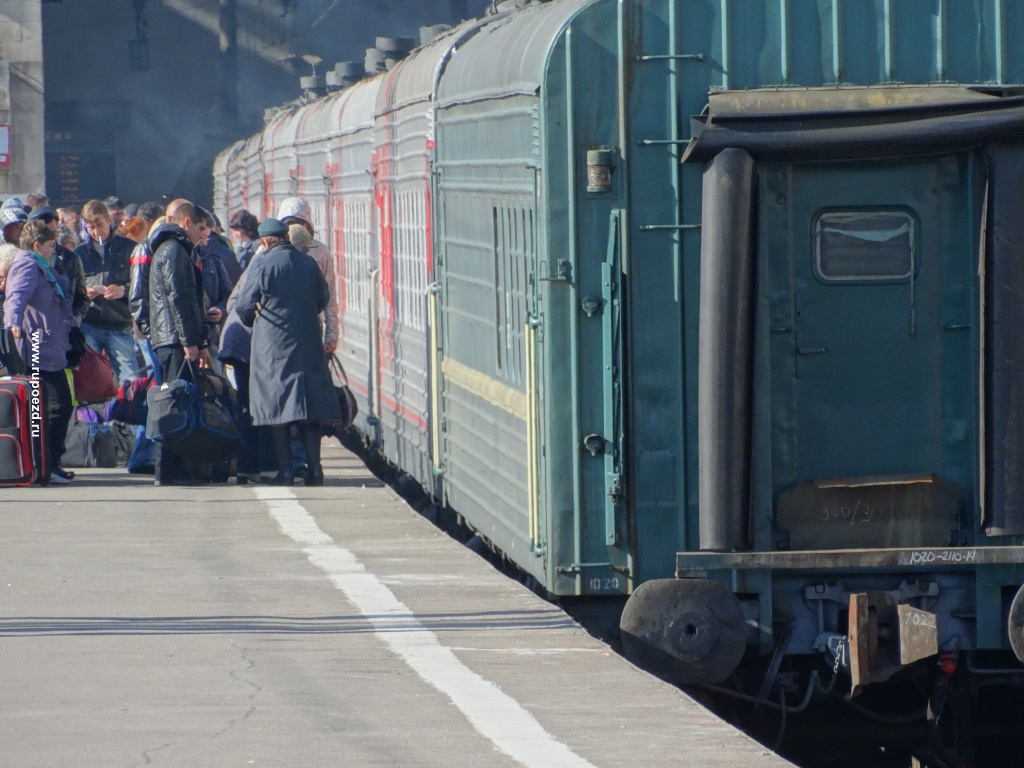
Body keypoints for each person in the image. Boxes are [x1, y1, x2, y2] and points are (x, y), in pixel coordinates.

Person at [235, 218, 339, 486]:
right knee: (309, 407)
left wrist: (256, 318)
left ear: (266, 241)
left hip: (273, 346)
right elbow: (322, 298)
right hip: (307, 341)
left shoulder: (262, 264)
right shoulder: (308, 263)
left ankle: (286, 472)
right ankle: (315, 471)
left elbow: (244, 306)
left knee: (277, 407)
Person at [2, 221, 76, 483]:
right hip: (35, 345)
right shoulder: (27, 264)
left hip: (49, 346)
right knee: (52, 406)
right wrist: (12, 325)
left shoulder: (42, 266)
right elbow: (17, 297)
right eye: (50, 246)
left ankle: (48, 462)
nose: (53, 251)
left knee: (56, 405)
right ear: (37, 245)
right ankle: (45, 463)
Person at [147, 199, 212, 485]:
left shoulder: (171, 249)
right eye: (200, 228)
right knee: (175, 405)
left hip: (170, 338)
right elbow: (179, 299)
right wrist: (190, 343)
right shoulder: (174, 251)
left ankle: (172, 469)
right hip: (174, 341)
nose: (203, 235)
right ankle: (172, 470)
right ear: (186, 223)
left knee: (173, 403)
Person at [74, 200, 137, 385]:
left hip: (119, 323)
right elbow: (71, 288)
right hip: (89, 323)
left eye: (100, 225)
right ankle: (94, 413)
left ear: (109, 220)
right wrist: (84, 291)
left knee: (131, 380)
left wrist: (123, 290)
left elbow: (141, 284)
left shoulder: (129, 247)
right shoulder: (79, 253)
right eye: (90, 227)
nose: (96, 231)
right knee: (89, 381)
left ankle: (130, 411)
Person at [276, 197, 338, 355]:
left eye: (298, 224)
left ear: (306, 225)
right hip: (278, 327)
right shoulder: (267, 251)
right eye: (288, 224)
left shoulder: (320, 251)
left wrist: (331, 335)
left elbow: (329, 295)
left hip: (310, 327)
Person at [29, 206, 89, 326]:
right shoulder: (23, 260)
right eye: (44, 232)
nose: (50, 236)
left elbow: (81, 297)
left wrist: (76, 318)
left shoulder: (70, 259)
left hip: (64, 329)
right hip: (35, 327)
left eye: (53, 231)